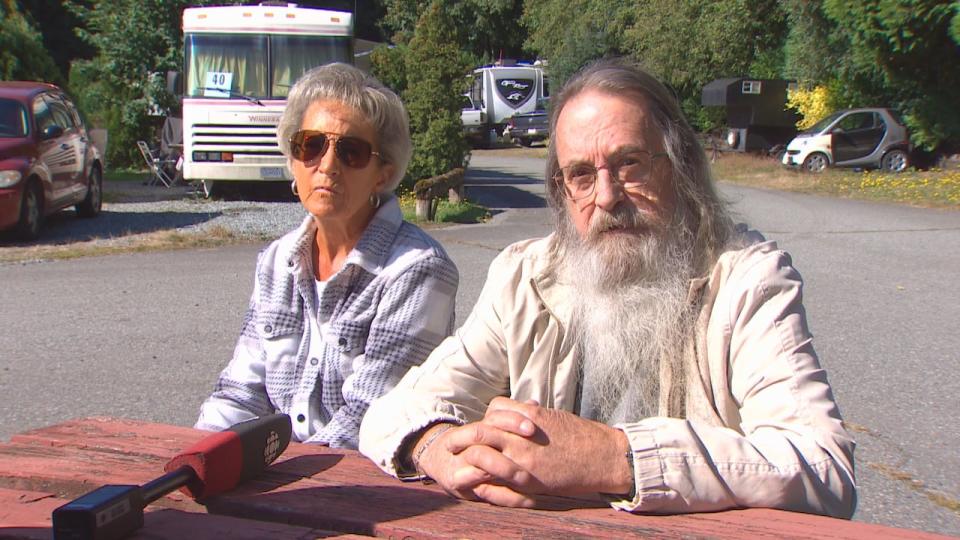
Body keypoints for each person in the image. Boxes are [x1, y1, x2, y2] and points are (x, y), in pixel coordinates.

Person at [359, 59, 856, 517]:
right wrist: (434, 446)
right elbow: (392, 412)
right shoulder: (526, 277)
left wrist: (615, 458)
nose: (608, 196)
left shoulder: (748, 280)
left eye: (631, 164)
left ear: (680, 167)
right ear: (561, 191)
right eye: (580, 174)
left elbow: (822, 468)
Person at [196, 63, 459, 449]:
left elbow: (370, 418)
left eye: (351, 151)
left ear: (382, 174)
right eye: (311, 145)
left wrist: (275, 478)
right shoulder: (276, 261)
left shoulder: (419, 269)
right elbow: (241, 393)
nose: (327, 165)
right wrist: (201, 457)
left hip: (361, 486)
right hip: (277, 475)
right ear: (292, 157)